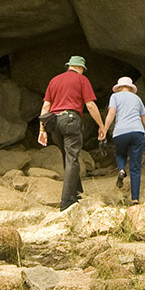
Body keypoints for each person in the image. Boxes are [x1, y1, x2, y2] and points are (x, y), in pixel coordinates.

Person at [37, 55, 106, 210]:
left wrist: (42, 130)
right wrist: (101, 125)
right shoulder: (82, 80)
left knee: (67, 157)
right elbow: (90, 105)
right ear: (80, 68)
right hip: (70, 120)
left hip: (54, 122)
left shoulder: (54, 80)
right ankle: (66, 202)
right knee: (72, 159)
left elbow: (45, 107)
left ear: (69, 66)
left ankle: (75, 193)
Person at [103, 76, 145, 204]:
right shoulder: (137, 99)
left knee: (120, 153)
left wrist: (104, 129)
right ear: (131, 88)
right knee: (135, 167)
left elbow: (112, 113)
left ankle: (121, 169)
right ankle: (135, 199)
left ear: (118, 87)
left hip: (120, 132)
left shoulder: (115, 97)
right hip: (137, 132)